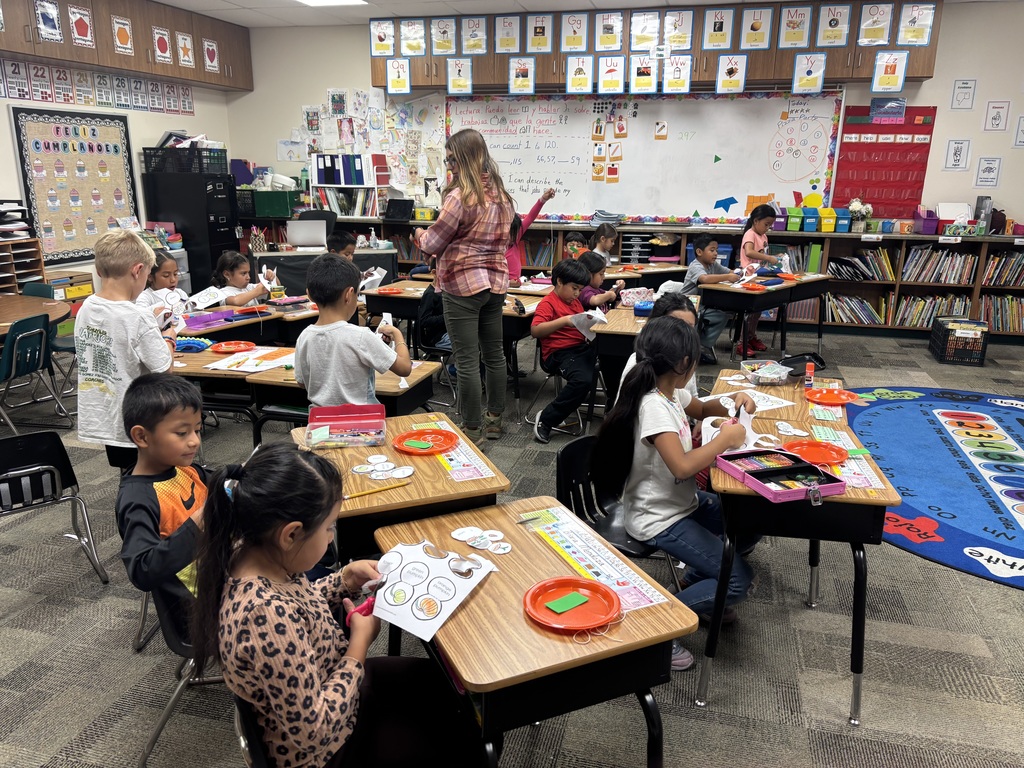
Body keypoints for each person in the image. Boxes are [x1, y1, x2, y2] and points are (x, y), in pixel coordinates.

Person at [189, 443, 487, 768]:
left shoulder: (255, 554)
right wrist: (359, 645)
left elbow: (297, 602)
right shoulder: (263, 615)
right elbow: (312, 731)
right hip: (328, 750)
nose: (332, 537)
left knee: (446, 688)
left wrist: (344, 579)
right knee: (467, 735)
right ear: (290, 535)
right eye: (329, 526)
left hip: (332, 682)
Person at [591, 317, 758, 671]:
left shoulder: (668, 391)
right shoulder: (653, 406)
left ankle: (697, 583)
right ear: (684, 364)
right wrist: (723, 441)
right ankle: (656, 622)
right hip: (657, 519)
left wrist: (733, 400)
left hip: (680, 505)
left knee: (751, 518)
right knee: (737, 579)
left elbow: (700, 408)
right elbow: (682, 467)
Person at [413, 128, 515, 442]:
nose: (450, 166)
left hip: (462, 285)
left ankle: (471, 428)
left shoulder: (460, 197)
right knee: (494, 355)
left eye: (453, 160)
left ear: (465, 158)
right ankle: (494, 420)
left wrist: (418, 234)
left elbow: (433, 242)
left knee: (467, 359)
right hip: (495, 283)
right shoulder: (501, 195)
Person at [76, 229, 177, 471]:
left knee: (129, 477)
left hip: (104, 415)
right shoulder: (137, 316)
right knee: (150, 480)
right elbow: (165, 369)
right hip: (138, 417)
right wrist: (169, 337)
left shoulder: (86, 307)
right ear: (137, 270)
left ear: (100, 271)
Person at [115, 373, 206, 612]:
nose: (195, 441)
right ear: (142, 436)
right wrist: (197, 525)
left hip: (224, 571)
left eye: (197, 429)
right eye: (182, 433)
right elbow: (142, 570)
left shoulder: (184, 470)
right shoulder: (139, 498)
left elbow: (218, 481)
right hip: (201, 604)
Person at [295, 254, 412, 408]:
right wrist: (397, 335)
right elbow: (404, 368)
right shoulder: (361, 336)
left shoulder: (304, 337)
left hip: (320, 425)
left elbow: (302, 382)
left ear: (309, 294)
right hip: (361, 426)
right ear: (349, 295)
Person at [530, 258, 596, 445]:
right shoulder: (548, 303)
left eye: (580, 290)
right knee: (582, 380)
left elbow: (579, 325)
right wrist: (565, 320)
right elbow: (535, 331)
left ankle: (612, 408)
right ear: (559, 281)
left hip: (578, 348)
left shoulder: (574, 303)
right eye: (574, 288)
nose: (577, 294)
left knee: (612, 357)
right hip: (558, 353)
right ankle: (547, 418)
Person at [680, 233, 741, 365]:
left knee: (721, 316)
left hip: (703, 305)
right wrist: (727, 277)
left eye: (716, 250)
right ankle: (692, 348)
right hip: (689, 305)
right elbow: (704, 279)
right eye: (712, 250)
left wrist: (740, 272)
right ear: (699, 252)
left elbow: (728, 271)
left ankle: (702, 346)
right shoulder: (695, 266)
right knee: (696, 320)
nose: (715, 254)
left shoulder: (712, 265)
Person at [738, 204, 778, 356]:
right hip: (749, 277)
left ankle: (750, 336)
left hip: (759, 275)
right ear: (756, 221)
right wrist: (768, 257)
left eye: (770, 225)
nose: (767, 228)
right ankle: (742, 342)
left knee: (757, 312)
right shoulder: (750, 234)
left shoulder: (763, 236)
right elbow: (749, 252)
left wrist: (773, 260)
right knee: (749, 312)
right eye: (766, 224)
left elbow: (763, 254)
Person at [506, 187, 556, 285]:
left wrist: (543, 200)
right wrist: (508, 283)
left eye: (515, 233)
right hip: (503, 287)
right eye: (509, 233)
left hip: (517, 286)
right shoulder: (495, 247)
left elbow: (530, 217)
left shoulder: (515, 238)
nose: (513, 237)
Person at [328, 231, 371, 324]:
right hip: (348, 311)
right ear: (333, 253)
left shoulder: (350, 269)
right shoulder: (328, 272)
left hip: (361, 306)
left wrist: (363, 276)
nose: (350, 258)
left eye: (352, 254)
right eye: (347, 254)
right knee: (362, 323)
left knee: (382, 320)